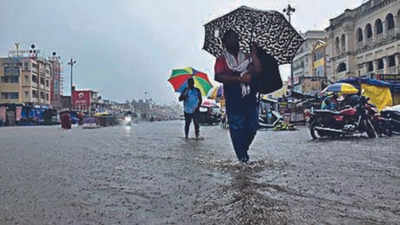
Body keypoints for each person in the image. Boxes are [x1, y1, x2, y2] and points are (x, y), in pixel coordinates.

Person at [214, 29, 263, 163]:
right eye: (230, 38)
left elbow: (258, 70)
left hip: (249, 97)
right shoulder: (221, 59)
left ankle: (243, 151)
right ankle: (242, 159)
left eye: (236, 37)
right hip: (233, 97)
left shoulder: (247, 56)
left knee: (253, 126)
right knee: (237, 128)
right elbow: (218, 76)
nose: (234, 40)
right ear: (224, 43)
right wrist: (239, 79)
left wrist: (254, 54)